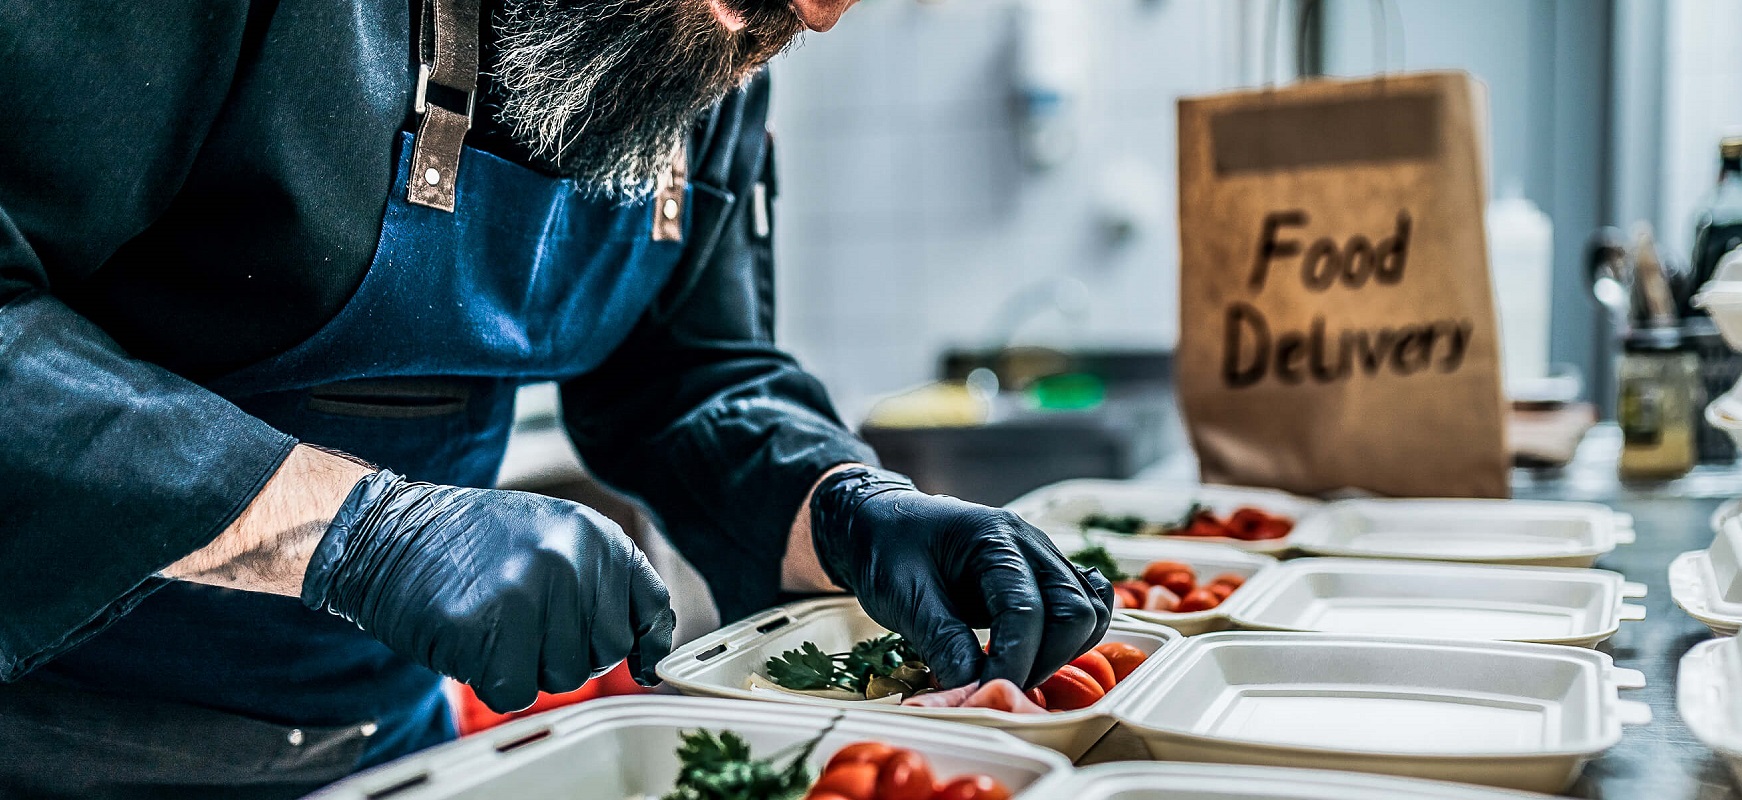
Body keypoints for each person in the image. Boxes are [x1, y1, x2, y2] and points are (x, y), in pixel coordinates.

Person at [0, 0, 1113, 795]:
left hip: (396, 745)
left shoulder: (713, 44)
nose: (820, 14)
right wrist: (351, 530)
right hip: (55, 739)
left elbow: (690, 374)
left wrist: (840, 502)